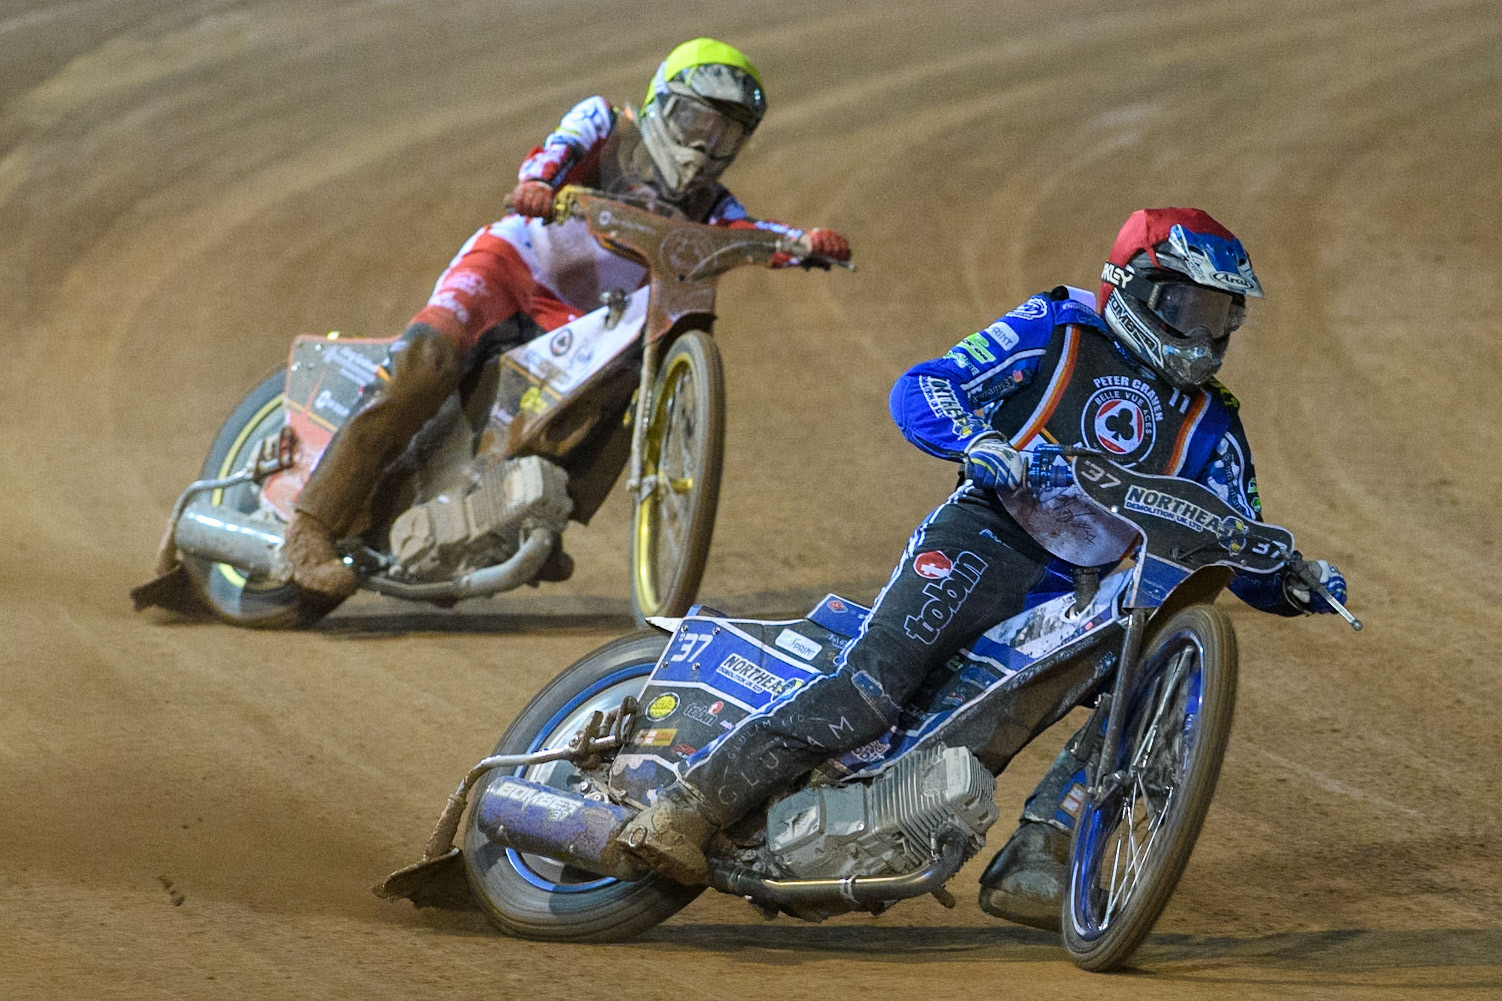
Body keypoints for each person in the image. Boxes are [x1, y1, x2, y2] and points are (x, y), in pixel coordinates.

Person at [615, 207, 1348, 927]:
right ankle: (685, 807)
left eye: (1218, 315)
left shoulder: (1216, 422)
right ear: (1133, 287)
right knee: (870, 694)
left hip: (1085, 591)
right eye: (1185, 307)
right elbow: (926, 384)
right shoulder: (1058, 328)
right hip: (987, 534)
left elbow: (1234, 533)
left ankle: (1042, 848)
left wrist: (1291, 579)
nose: (1201, 333)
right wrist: (975, 439)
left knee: (1153, 679)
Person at [283, 38, 851, 597]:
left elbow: (749, 233)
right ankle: (311, 524)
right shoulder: (606, 124)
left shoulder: (714, 205)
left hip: (583, 317)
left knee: (628, 383)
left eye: (725, 134)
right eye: (694, 121)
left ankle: (540, 514)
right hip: (514, 265)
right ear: (659, 104)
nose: (705, 145)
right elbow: (556, 149)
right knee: (428, 357)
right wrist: (537, 182)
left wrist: (804, 244)